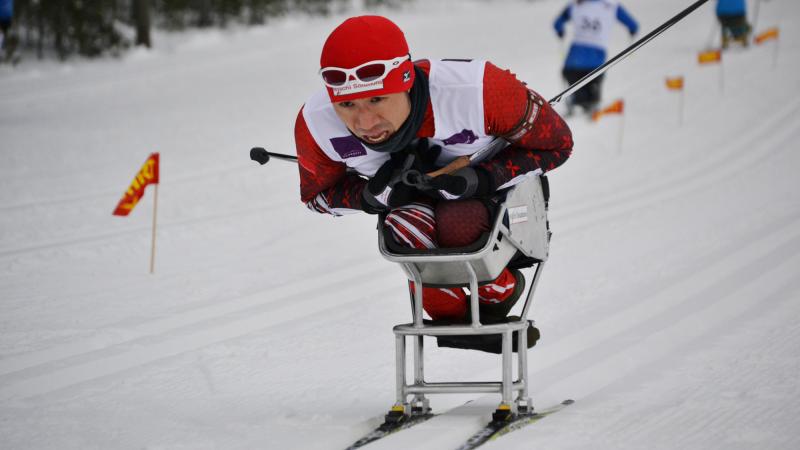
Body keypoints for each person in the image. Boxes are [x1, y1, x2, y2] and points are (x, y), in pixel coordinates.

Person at [294, 15, 572, 329]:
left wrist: (484, 177)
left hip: (497, 204)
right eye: (347, 106)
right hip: (412, 208)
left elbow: (558, 145)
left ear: (406, 82)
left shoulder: (479, 90)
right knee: (402, 229)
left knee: (458, 222)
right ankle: (455, 323)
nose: (365, 123)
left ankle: (500, 292)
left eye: (377, 99)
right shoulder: (315, 124)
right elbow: (316, 197)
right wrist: (370, 197)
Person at [553, 0, 638, 116]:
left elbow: (557, 23)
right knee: (593, 81)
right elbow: (633, 25)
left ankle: (578, 102)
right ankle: (591, 101)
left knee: (570, 77)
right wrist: (632, 31)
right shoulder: (612, 5)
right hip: (597, 58)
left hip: (575, 58)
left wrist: (560, 31)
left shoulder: (575, 5)